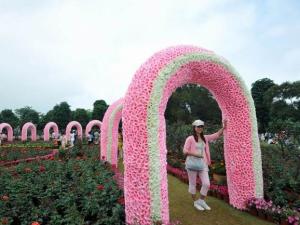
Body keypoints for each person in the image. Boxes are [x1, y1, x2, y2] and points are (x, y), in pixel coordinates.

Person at [183, 119, 227, 211]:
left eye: (201, 126)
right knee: (192, 184)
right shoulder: (190, 138)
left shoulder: (205, 138)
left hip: (203, 164)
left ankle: (201, 201)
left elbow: (216, 135)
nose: (200, 128)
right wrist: (196, 154)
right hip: (191, 164)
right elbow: (185, 151)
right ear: (194, 127)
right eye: (198, 126)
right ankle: (195, 202)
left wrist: (224, 127)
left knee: (206, 183)